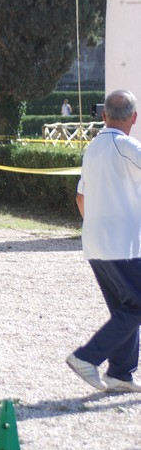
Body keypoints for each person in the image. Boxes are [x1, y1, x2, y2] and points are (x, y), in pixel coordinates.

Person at [66, 89, 141, 393]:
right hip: (122, 243)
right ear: (133, 118)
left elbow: (80, 197)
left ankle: (120, 373)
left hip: (97, 242)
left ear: (103, 114)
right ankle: (87, 356)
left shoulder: (93, 148)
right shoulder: (126, 145)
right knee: (137, 305)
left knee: (126, 307)